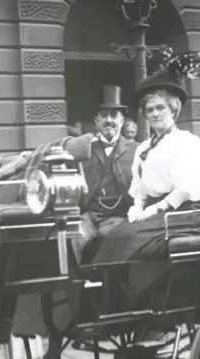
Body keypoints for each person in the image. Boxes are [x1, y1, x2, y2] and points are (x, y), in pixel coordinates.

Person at [88, 52, 200, 308]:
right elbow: (139, 188)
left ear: (173, 109)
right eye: (149, 109)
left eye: (160, 107)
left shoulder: (187, 142)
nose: (154, 114)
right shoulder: (143, 148)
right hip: (154, 213)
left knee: (123, 239)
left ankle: (133, 306)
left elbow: (185, 190)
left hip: (182, 214)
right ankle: (111, 306)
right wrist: (137, 208)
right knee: (111, 236)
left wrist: (152, 210)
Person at [76, 85, 138, 264]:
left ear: (122, 121)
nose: (109, 120)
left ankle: (103, 284)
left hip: (119, 216)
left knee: (105, 238)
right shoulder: (84, 150)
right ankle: (81, 283)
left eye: (114, 116)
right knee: (75, 236)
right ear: (96, 122)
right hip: (89, 214)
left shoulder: (136, 150)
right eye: (104, 116)